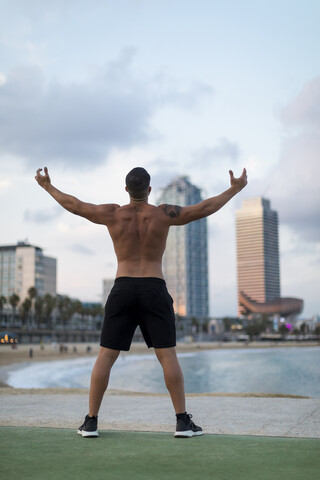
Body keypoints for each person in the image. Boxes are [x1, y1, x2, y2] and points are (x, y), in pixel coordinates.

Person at [35, 165, 247, 438]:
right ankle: (182, 422)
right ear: (149, 190)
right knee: (167, 355)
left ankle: (91, 422)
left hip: (122, 288)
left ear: (126, 190)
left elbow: (75, 205)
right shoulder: (163, 214)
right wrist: (234, 188)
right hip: (154, 288)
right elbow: (204, 208)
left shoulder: (113, 213)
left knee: (106, 356)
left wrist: (47, 186)